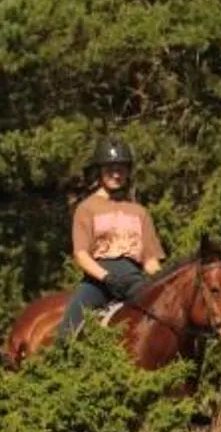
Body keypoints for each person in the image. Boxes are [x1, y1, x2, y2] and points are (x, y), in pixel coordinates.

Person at [53, 138, 167, 340]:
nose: (116, 174)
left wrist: (163, 283)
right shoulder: (86, 208)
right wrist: (106, 277)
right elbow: (81, 254)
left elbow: (150, 260)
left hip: (134, 280)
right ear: (100, 171)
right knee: (66, 332)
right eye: (110, 168)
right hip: (98, 282)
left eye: (121, 168)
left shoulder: (140, 212)